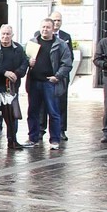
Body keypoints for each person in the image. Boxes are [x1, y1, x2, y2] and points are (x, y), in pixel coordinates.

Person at [25, 18, 72, 150]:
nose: (45, 30)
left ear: (53, 29)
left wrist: (57, 76)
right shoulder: (33, 42)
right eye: (43, 27)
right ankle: (33, 138)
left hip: (50, 83)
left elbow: (67, 63)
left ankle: (55, 139)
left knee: (54, 112)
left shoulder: (60, 44)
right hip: (34, 82)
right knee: (32, 111)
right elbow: (24, 59)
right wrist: (29, 62)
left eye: (48, 27)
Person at [0, 24, 29, 150]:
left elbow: (24, 63)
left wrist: (17, 73)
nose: (5, 36)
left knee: (12, 114)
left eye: (8, 34)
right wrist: (4, 72)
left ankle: (12, 139)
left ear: (12, 35)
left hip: (11, 88)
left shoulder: (18, 48)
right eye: (3, 34)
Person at [47, 11, 73, 140]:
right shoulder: (39, 34)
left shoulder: (66, 36)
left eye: (59, 20)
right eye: (54, 20)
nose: (56, 23)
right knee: (41, 105)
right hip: (45, 76)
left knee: (61, 103)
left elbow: (70, 57)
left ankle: (61, 129)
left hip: (61, 77)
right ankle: (41, 129)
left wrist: (60, 74)